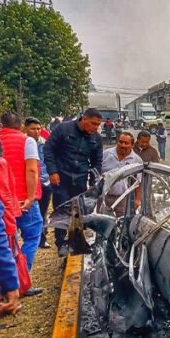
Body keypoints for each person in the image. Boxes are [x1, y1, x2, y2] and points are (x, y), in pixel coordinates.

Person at [44, 108, 104, 255]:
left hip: (80, 179)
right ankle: (61, 243)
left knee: (79, 211)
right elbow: (48, 149)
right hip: (61, 177)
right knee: (62, 209)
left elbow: (97, 162)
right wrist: (52, 171)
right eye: (93, 123)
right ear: (83, 119)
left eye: (98, 125)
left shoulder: (96, 138)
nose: (95, 127)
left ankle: (76, 241)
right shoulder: (63, 129)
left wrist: (94, 182)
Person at [0, 112, 42, 271]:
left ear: (2, 125)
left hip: (2, 203)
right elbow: (31, 170)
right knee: (32, 236)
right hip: (24, 201)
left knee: (7, 241)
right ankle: (21, 276)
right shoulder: (27, 141)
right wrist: (30, 197)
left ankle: (7, 282)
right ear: (21, 126)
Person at [24, 117, 52, 249]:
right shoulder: (23, 144)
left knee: (42, 212)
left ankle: (41, 238)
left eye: (38, 129)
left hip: (44, 183)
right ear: (25, 129)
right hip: (29, 184)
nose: (36, 131)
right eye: (33, 129)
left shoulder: (45, 144)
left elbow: (49, 161)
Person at [102, 132, 143, 217]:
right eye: (120, 142)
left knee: (123, 224)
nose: (123, 145)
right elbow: (97, 175)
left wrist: (137, 200)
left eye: (126, 143)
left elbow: (138, 182)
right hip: (104, 198)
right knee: (102, 224)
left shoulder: (136, 160)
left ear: (132, 145)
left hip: (123, 199)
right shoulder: (106, 154)